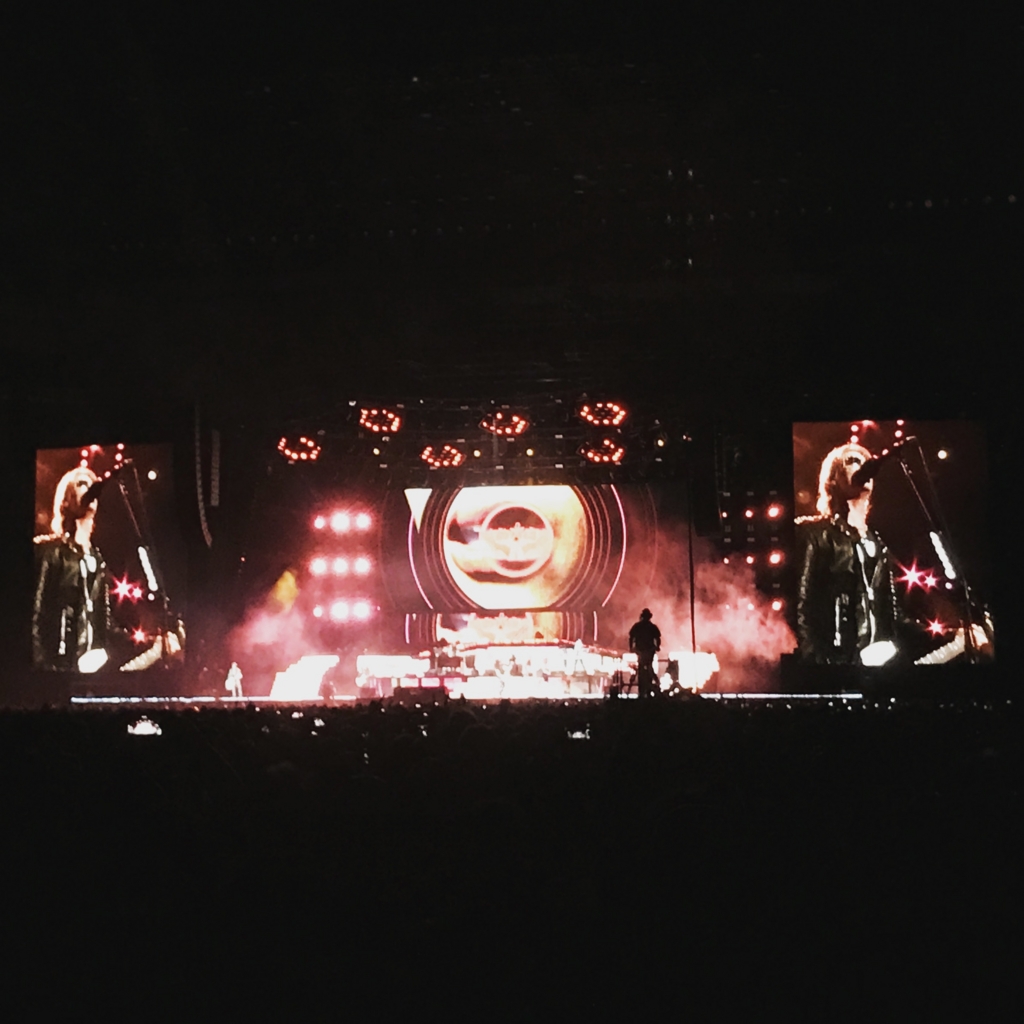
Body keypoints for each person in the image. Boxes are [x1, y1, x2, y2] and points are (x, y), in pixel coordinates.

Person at [795, 442, 909, 665]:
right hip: (838, 661)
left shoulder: (878, 544)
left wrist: (950, 634)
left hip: (879, 664)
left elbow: (895, 616)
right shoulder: (814, 534)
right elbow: (800, 608)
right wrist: (820, 663)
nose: (863, 467)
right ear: (833, 479)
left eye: (866, 463)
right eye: (852, 461)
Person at [33, 466, 111, 672]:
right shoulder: (50, 551)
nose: (89, 489)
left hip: (88, 668)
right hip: (58, 665)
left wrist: (153, 641)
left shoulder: (98, 559)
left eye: (92, 485)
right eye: (81, 484)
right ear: (65, 501)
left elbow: (104, 622)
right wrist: (42, 667)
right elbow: (35, 613)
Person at [628, 608, 661, 697]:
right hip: (646, 651)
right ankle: (649, 688)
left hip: (642, 651)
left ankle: (644, 690)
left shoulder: (638, 626)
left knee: (643, 669)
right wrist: (657, 647)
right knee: (647, 669)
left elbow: (631, 637)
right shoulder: (651, 627)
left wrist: (631, 648)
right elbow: (658, 638)